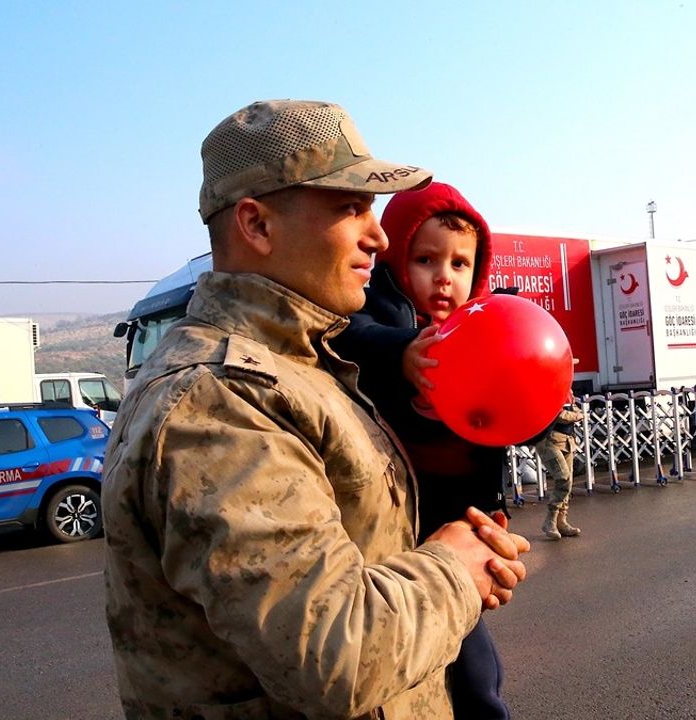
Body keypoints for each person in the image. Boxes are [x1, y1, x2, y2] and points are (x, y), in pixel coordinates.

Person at [101, 99, 531, 720]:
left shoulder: (302, 370)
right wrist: (456, 570)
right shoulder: (218, 402)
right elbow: (337, 658)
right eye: (349, 208)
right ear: (257, 225)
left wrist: (462, 547)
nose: (378, 237)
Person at [330, 182, 512, 718]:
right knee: (450, 666)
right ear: (394, 259)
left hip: (460, 520)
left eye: (460, 264)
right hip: (399, 533)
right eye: (426, 259)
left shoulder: (482, 329)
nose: (444, 277)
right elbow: (352, 335)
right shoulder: (381, 315)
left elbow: (513, 415)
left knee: (477, 671)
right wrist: (403, 350)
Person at [533, 394, 586, 540]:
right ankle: (550, 521)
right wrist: (578, 416)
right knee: (564, 479)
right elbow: (558, 415)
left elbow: (575, 408)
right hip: (548, 441)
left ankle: (561, 521)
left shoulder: (566, 390)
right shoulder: (547, 389)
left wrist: (577, 413)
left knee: (567, 483)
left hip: (566, 441)